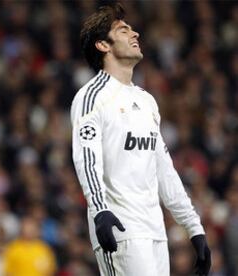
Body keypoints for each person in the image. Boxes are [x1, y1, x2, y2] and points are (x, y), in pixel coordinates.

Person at [71, 3, 211, 276]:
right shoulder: (92, 97)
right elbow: (86, 159)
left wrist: (193, 227)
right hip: (120, 229)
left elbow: (163, 169)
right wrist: (100, 211)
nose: (135, 34)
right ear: (103, 45)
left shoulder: (146, 101)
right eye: (123, 30)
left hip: (155, 233)